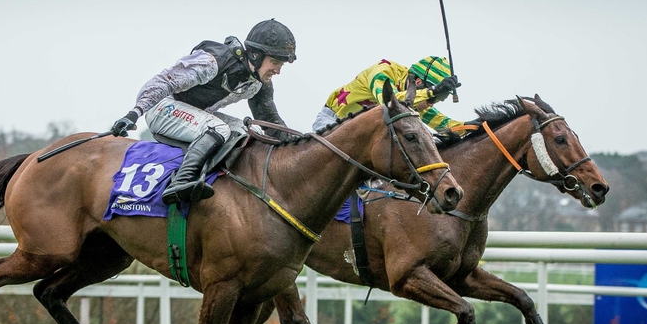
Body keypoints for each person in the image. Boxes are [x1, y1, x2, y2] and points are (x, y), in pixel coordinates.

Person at [110, 19, 296, 205]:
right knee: (219, 128)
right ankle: (181, 182)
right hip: (162, 108)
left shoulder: (259, 83)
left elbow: (269, 120)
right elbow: (163, 82)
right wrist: (134, 113)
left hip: (192, 117)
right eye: (275, 62)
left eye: (281, 64)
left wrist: (299, 144)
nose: (278, 71)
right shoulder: (214, 61)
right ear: (256, 55)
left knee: (244, 131)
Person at [312, 56, 464, 138]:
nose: (431, 104)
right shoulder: (383, 70)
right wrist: (432, 92)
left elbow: (440, 122)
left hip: (362, 132)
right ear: (418, 82)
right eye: (433, 100)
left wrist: (471, 127)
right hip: (333, 122)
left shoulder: (412, 96)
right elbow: (389, 101)